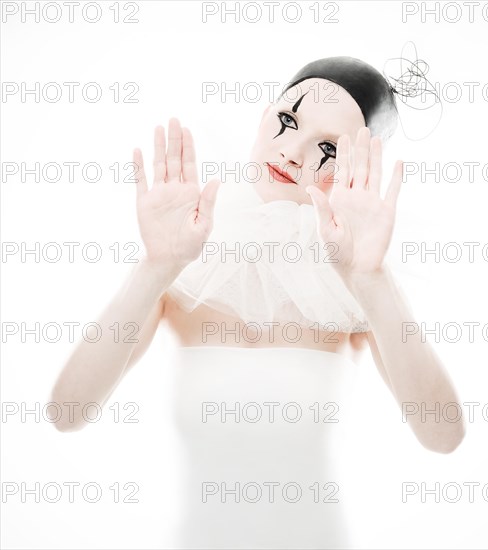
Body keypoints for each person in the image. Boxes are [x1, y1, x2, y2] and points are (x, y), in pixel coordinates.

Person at [50, 56, 465, 549]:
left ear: (359, 168)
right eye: (288, 122)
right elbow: (67, 412)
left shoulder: (353, 273)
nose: (291, 153)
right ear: (264, 115)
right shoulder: (191, 247)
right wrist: (155, 266)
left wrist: (371, 279)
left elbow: (443, 436)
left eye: (328, 148)